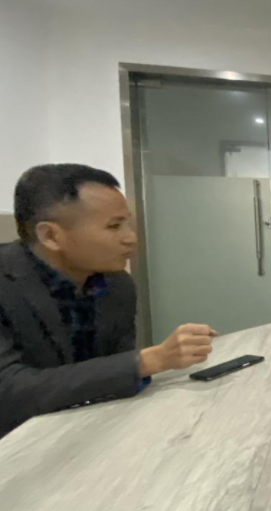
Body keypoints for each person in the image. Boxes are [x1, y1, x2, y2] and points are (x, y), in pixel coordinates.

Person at [0, 164, 218, 439]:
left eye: (128, 223)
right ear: (51, 236)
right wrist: (149, 360)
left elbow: (113, 376)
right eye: (114, 226)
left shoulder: (117, 285)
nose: (131, 238)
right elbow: (10, 392)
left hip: (91, 436)